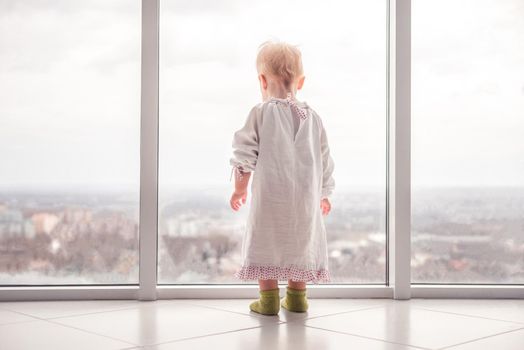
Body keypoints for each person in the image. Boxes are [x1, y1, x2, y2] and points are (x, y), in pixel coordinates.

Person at [229, 40, 335, 316]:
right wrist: (324, 193)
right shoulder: (313, 118)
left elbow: (244, 155)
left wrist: (240, 190)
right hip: (305, 199)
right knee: (300, 241)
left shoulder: (261, 113)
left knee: (267, 240)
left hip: (271, 198)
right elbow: (324, 159)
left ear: (262, 81)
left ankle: (268, 300)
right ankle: (298, 298)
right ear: (300, 82)